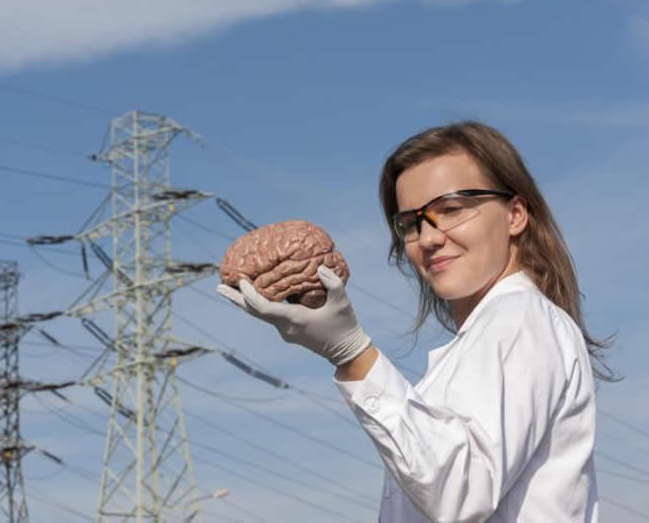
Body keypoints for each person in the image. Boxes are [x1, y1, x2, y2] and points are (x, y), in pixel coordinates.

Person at [216, 121, 615, 522]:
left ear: (514, 214)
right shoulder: (491, 334)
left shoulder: (520, 319)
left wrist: (352, 354)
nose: (427, 238)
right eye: (410, 223)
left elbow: (459, 492)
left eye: (452, 209)